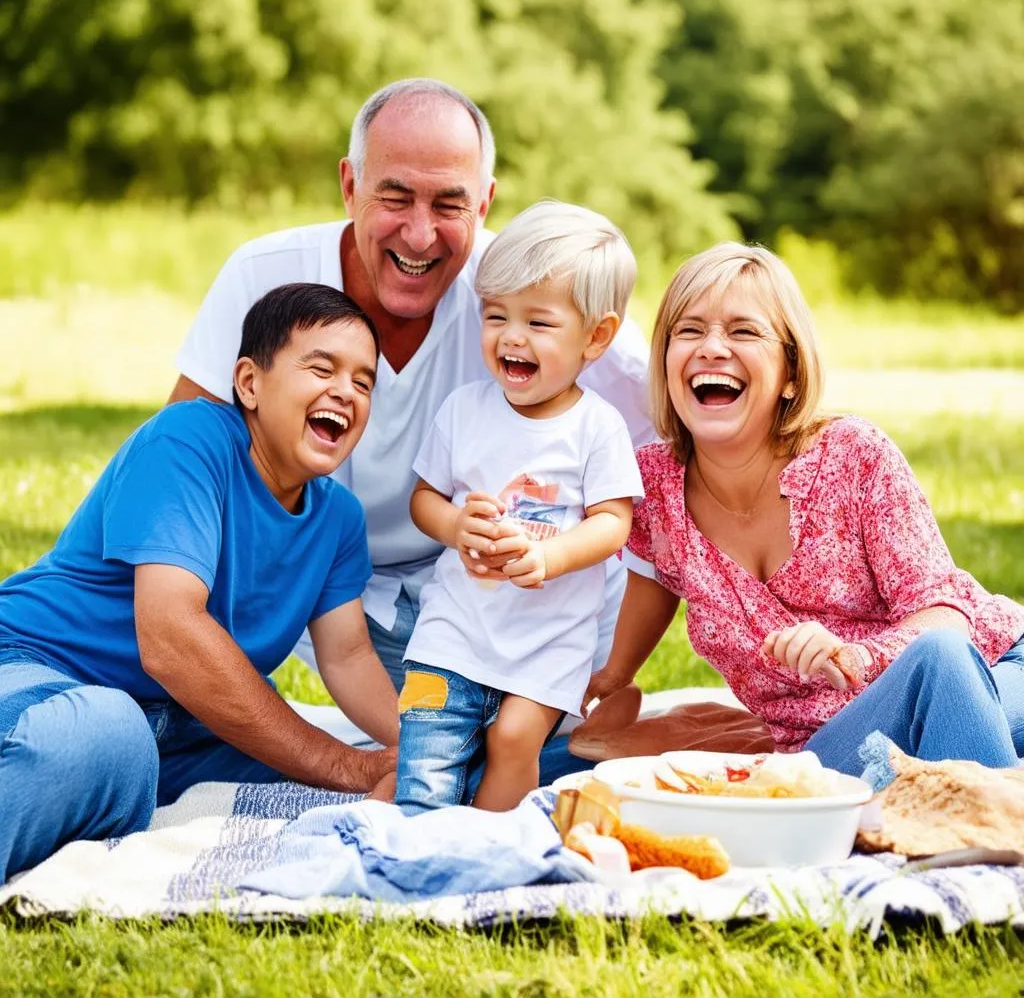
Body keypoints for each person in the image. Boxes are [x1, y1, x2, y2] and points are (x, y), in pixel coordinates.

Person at [168, 79, 654, 707]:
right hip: (337, 591)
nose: (420, 235)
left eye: (449, 204)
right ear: (350, 186)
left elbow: (680, 417)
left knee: (535, 748)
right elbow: (183, 462)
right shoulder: (266, 276)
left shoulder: (528, 292)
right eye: (394, 196)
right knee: (434, 744)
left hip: (513, 587)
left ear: (484, 204)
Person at [0, 284, 399, 881]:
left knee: (489, 757)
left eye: (364, 382)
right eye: (322, 368)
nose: (345, 390)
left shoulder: (337, 519)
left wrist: (425, 747)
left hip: (180, 729)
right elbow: (171, 638)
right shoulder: (187, 441)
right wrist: (347, 765)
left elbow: (347, 655)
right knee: (109, 738)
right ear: (250, 383)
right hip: (35, 669)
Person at [584, 242, 1024, 776]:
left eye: (743, 331)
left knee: (939, 662)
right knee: (565, 762)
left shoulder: (854, 455)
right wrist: (612, 675)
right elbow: (657, 572)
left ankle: (998, 845)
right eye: (690, 330)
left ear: (791, 373)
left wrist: (855, 656)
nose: (712, 348)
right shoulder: (652, 486)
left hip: (994, 668)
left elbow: (946, 616)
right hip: (828, 745)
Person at [393, 201, 644, 814]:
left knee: (512, 739)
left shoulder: (596, 427)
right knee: (425, 740)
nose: (511, 336)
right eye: (496, 314)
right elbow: (424, 498)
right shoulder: (464, 410)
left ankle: (487, 845)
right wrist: (454, 525)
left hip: (547, 641)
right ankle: (416, 840)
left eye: (539, 322)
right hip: (453, 631)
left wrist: (551, 555)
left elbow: (615, 523)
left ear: (597, 336)